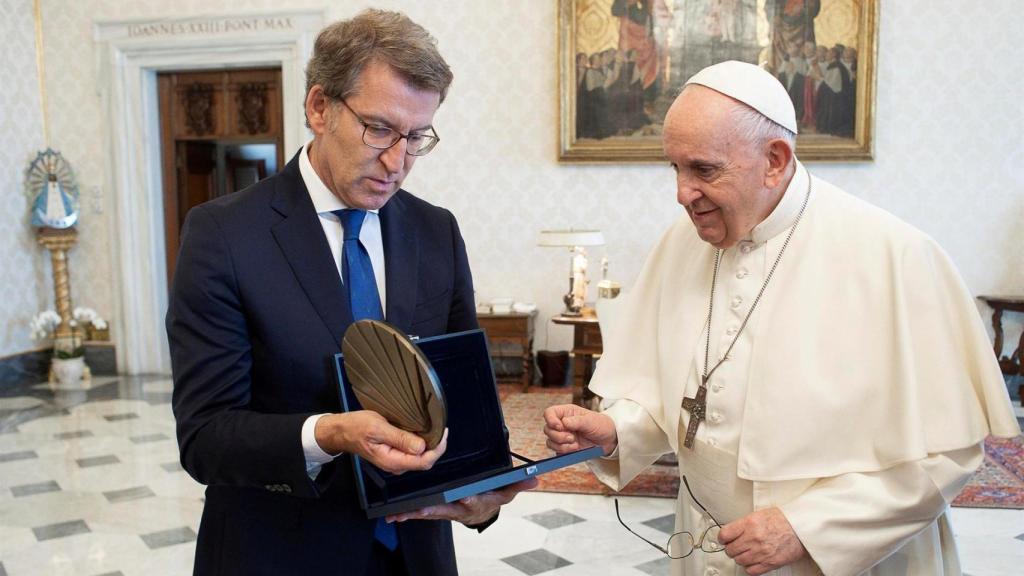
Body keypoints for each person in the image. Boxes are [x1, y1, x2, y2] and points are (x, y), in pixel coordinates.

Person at [543, 60, 1020, 576]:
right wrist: (617, 429)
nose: (682, 193)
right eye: (674, 168)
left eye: (703, 169)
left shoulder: (894, 256)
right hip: (706, 542)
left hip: (844, 562)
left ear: (774, 159)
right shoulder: (682, 243)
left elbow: (945, 454)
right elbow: (674, 394)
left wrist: (810, 527)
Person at [167, 10, 531, 575]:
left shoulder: (437, 232)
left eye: (416, 137)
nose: (397, 162)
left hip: (416, 558)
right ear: (319, 107)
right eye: (379, 129)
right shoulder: (223, 235)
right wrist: (332, 433)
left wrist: (481, 495)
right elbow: (205, 436)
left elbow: (460, 397)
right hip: (280, 554)